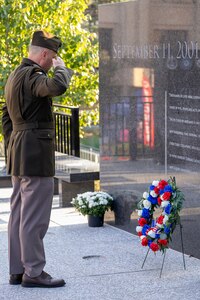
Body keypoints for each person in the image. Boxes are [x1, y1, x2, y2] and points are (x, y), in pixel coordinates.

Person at [2, 30, 73, 288]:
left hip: (19, 152)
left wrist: (13, 143)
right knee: (34, 217)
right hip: (35, 154)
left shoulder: (14, 75)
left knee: (19, 214)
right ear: (44, 54)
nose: (53, 61)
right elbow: (57, 86)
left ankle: (17, 270)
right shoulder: (34, 76)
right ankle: (34, 272)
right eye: (53, 57)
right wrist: (62, 69)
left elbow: (6, 116)